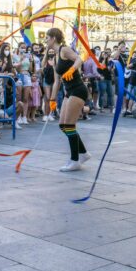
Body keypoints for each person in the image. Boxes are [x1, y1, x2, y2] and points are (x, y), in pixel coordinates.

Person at [47, 27, 92, 171]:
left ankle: (75, 161)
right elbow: (56, 81)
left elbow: (79, 58)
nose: (45, 40)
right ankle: (83, 153)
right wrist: (52, 99)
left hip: (78, 89)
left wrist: (73, 69)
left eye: (47, 38)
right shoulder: (54, 57)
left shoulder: (64, 50)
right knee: (62, 125)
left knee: (69, 125)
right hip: (68, 91)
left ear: (53, 38)